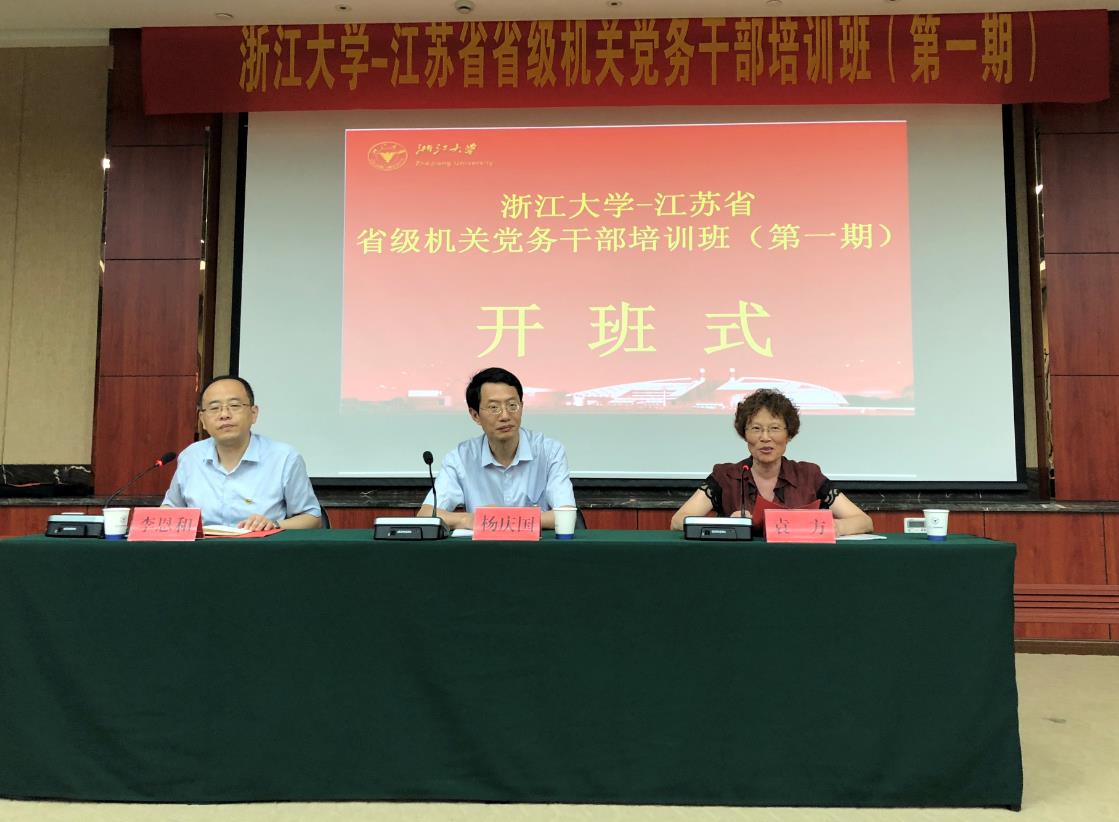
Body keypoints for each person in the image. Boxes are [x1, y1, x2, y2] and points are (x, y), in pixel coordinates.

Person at [670, 388, 873, 537]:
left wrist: (832, 527)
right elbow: (678, 521)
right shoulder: (726, 476)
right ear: (744, 434)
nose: (765, 438)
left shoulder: (808, 475)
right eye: (756, 429)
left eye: (774, 428)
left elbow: (864, 521)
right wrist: (728, 524)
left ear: (789, 434)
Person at [418, 367, 576, 530]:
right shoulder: (461, 458)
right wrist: (469, 519)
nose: (505, 416)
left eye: (512, 405)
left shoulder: (549, 451)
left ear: (521, 407)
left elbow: (566, 514)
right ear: (475, 415)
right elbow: (426, 514)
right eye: (494, 408)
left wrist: (498, 519)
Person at [162, 375, 322, 530]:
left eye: (234, 406)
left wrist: (274, 525)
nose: (224, 415)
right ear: (202, 420)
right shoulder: (190, 457)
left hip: (260, 546)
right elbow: (170, 509)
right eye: (215, 408)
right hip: (203, 547)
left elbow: (312, 518)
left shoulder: (284, 458)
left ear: (253, 413)